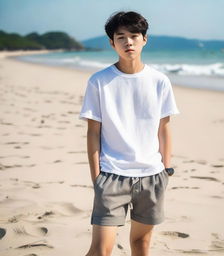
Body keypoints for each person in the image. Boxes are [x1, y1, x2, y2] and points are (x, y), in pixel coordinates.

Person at [79, 11, 180, 256]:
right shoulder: (99, 81)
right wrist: (97, 179)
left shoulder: (159, 81)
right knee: (101, 249)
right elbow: (93, 132)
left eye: (134, 36)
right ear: (112, 43)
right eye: (121, 37)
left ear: (144, 39)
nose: (128, 42)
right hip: (111, 174)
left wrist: (166, 169)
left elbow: (164, 128)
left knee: (141, 245)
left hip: (152, 175)